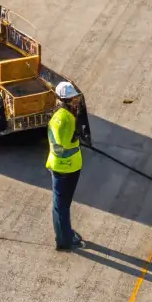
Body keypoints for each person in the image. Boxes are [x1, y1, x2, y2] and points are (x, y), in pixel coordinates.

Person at [46, 79, 90, 251]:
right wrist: (75, 136)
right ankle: (64, 240)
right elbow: (60, 143)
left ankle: (66, 233)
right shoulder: (62, 118)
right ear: (66, 100)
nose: (76, 101)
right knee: (61, 206)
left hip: (67, 167)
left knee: (62, 205)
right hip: (65, 167)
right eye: (73, 99)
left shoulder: (64, 114)